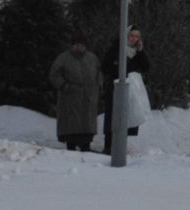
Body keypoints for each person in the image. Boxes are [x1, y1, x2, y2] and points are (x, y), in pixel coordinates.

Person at [48, 32, 102, 153]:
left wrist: (98, 86)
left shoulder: (92, 58)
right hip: (70, 98)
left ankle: (86, 145)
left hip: (88, 97)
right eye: (77, 45)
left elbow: (100, 73)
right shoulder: (63, 58)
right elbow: (54, 75)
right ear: (72, 45)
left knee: (87, 124)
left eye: (82, 45)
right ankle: (70, 146)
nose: (80, 47)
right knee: (71, 124)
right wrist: (64, 86)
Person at [100, 26, 149, 155]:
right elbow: (105, 66)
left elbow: (146, 67)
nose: (134, 39)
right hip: (115, 86)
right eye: (131, 35)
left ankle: (120, 145)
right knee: (113, 116)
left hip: (130, 88)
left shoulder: (136, 52)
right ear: (126, 36)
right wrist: (117, 72)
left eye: (136, 36)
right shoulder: (116, 48)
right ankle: (108, 146)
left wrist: (141, 52)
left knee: (127, 115)